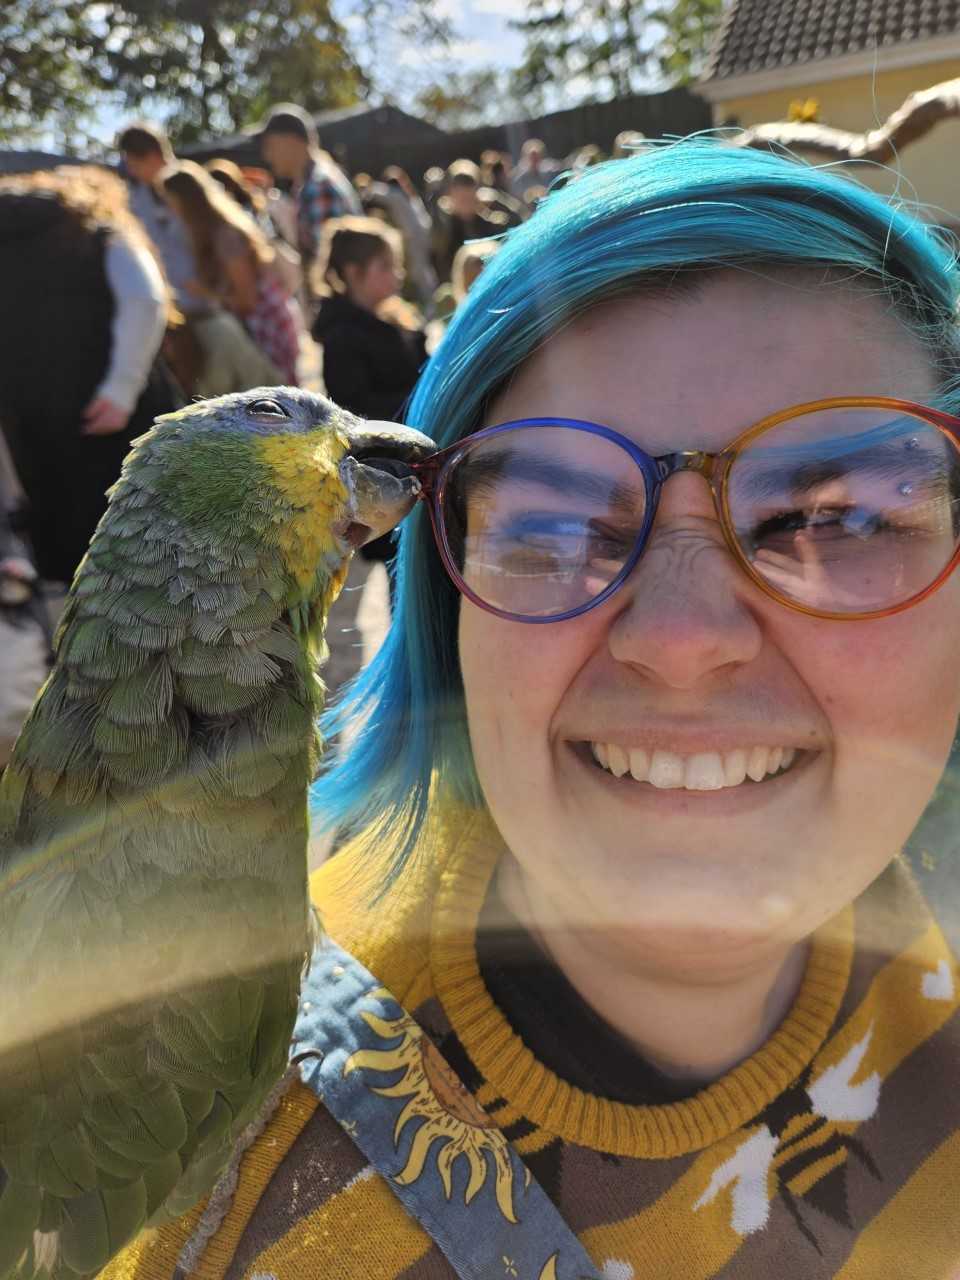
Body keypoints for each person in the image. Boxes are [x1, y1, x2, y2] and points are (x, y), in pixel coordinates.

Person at [101, 138, 960, 1276]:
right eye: (554, 528)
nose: (681, 639)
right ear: (450, 615)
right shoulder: (193, 1192)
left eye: (839, 520)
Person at [0, 165, 179, 587]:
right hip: (117, 414)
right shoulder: (99, 229)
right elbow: (146, 298)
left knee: (71, 553)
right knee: (144, 543)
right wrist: (121, 389)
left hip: (35, 423)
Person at [160, 161, 303, 386]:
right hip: (258, 325)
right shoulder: (210, 233)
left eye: (171, 201)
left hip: (266, 326)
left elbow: (248, 300)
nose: (170, 208)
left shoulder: (225, 236)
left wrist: (206, 293)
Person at [256, 102, 361, 298]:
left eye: (270, 146)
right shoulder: (312, 182)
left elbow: (330, 269)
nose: (266, 156)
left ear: (291, 141)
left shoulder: (318, 186)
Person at [431, 159, 508, 283]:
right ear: (450, 192)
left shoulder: (495, 225)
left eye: (469, 187)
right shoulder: (443, 231)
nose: (464, 195)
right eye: (459, 188)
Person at [510, 136, 562, 205]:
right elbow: (517, 198)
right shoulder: (519, 177)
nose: (535, 160)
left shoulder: (550, 171)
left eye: (537, 157)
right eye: (532, 157)